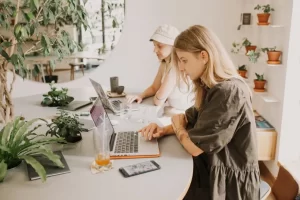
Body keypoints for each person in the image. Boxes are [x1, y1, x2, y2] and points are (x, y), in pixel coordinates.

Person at [139, 25, 260, 200]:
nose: (180, 67)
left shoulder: (229, 92)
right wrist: (162, 130)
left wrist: (179, 130)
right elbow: (187, 118)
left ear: (203, 56)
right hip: (213, 169)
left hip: (229, 184)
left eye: (184, 60)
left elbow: (194, 147)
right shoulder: (211, 87)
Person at [127, 24, 194, 111]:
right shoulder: (165, 63)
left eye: (160, 46)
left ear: (173, 45)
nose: (155, 50)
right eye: (154, 45)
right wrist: (140, 96)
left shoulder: (176, 67)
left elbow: (158, 101)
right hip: (172, 111)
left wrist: (159, 96)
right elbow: (154, 87)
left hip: (183, 115)